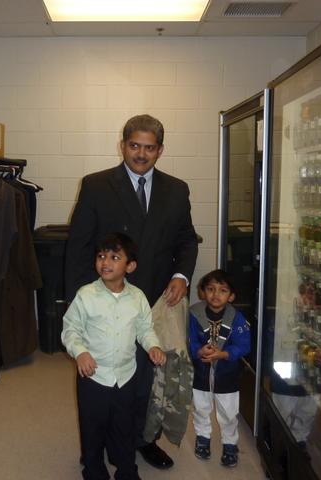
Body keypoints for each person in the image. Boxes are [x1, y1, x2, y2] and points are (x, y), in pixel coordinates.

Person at [65, 114, 198, 469]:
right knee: (104, 379)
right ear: (122, 145)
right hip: (106, 302)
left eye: (149, 147)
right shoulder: (96, 185)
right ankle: (102, 443)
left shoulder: (177, 189)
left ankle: (141, 440)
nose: (141, 154)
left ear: (160, 150)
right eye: (134, 145)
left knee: (147, 380)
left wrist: (182, 276)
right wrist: (81, 304)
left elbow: (187, 240)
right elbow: (78, 247)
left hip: (155, 302)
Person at [62, 233, 166, 480]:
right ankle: (94, 469)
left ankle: (127, 469)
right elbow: (71, 329)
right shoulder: (86, 295)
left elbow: (145, 328)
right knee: (92, 426)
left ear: (130, 266)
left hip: (126, 376)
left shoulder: (138, 297)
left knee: (124, 425)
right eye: (101, 256)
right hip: (93, 376)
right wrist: (81, 352)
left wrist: (153, 346)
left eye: (114, 257)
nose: (105, 262)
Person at [188, 269, 250, 468]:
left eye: (222, 290)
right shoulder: (194, 314)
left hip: (227, 373)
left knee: (228, 412)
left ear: (231, 296)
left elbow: (244, 345)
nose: (216, 294)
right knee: (201, 408)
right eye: (210, 289)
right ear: (202, 292)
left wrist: (223, 354)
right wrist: (199, 351)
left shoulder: (237, 318)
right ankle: (203, 438)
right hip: (201, 371)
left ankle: (230, 444)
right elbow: (189, 339)